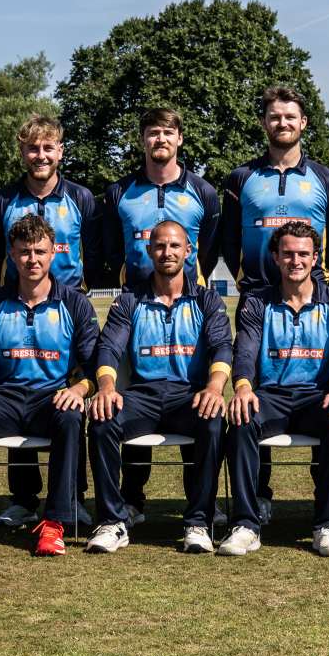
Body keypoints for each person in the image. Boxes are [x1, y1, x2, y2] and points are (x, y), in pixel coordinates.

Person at [222, 85, 329, 521]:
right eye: (275, 117)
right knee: (255, 389)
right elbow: (229, 238)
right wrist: (245, 280)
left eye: (290, 117)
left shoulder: (326, 178)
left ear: (303, 123)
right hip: (258, 296)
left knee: (321, 390)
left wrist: (321, 279)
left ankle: (323, 502)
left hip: (313, 297)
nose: (283, 123)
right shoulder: (241, 178)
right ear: (264, 123)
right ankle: (259, 494)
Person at [0, 214, 98, 557]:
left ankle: (55, 524)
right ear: (12, 256)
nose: (33, 259)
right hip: (5, 397)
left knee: (71, 416)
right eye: (24, 252)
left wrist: (78, 390)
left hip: (51, 397)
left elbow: (93, 365)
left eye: (40, 251)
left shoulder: (75, 303)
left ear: (53, 254)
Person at [102, 107, 221, 526]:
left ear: (179, 139)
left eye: (168, 133)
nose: (160, 141)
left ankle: (200, 504)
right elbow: (110, 248)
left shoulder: (203, 192)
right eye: (152, 133)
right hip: (137, 303)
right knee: (135, 394)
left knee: (194, 388)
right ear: (143, 140)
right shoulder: (120, 192)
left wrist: (187, 276)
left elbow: (209, 246)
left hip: (188, 301)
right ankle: (131, 500)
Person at [0, 114, 101, 530]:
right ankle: (23, 498)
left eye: (48, 148)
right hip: (17, 305)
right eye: (33, 148)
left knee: (72, 400)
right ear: (22, 152)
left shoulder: (82, 199)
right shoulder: (2, 201)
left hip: (68, 306)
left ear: (60, 152)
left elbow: (99, 251)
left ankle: (70, 496)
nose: (41, 155)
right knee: (18, 384)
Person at [85, 221, 230, 554]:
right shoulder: (130, 299)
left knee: (213, 420)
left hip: (189, 396)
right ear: (149, 251)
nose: (168, 253)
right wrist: (106, 386)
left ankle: (198, 521)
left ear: (188, 251)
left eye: (175, 246)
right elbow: (109, 347)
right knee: (102, 420)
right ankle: (113, 521)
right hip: (143, 396)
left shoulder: (207, 300)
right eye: (161, 246)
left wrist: (214, 386)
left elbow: (223, 345)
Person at [220, 222, 329, 557]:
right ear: (275, 257)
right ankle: (245, 525)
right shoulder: (256, 302)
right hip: (270, 397)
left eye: (303, 254)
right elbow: (246, 352)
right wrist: (242, 387)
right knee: (240, 420)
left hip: (316, 396)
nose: (295, 261)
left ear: (315, 259)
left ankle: (327, 525)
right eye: (288, 254)